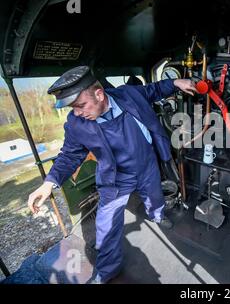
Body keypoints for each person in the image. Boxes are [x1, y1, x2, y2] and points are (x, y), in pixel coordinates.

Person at [28, 66, 196, 284]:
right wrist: (49, 183)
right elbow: (69, 155)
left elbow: (152, 90)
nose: (78, 112)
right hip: (116, 179)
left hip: (147, 165)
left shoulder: (129, 94)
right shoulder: (76, 124)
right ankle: (106, 272)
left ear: (99, 94)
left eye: (80, 105)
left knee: (154, 197)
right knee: (106, 228)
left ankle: (157, 215)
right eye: (73, 108)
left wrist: (175, 83)